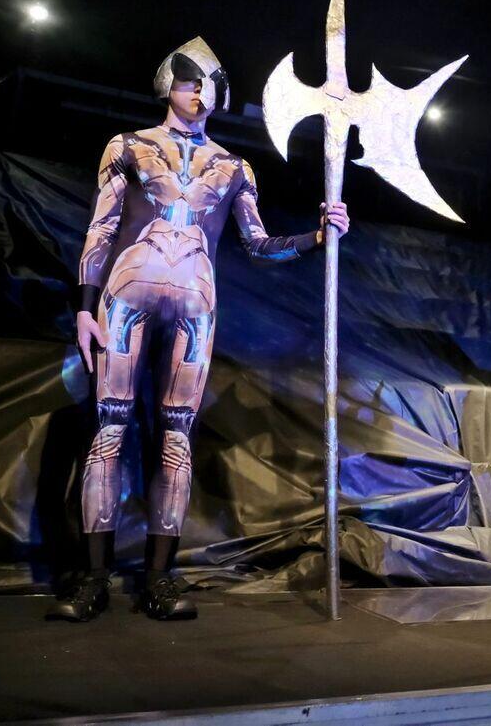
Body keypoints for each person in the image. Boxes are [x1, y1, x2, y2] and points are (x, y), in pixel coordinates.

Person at [48, 37, 350, 622]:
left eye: (210, 86)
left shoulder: (234, 167)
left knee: (177, 438)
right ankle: (94, 578)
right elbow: (101, 228)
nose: (200, 95)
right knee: (109, 430)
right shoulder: (129, 147)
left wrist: (319, 235)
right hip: (126, 292)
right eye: (190, 82)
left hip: (195, 303)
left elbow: (258, 244)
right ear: (169, 85)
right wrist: (84, 307)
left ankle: (160, 578)